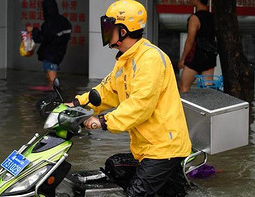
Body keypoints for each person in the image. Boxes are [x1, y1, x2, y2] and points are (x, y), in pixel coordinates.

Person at [67, 1, 192, 196]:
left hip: (163, 149)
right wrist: (76, 104)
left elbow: (140, 106)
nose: (106, 32)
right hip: (146, 148)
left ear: (124, 31)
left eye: (109, 27)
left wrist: (101, 121)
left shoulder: (149, 59)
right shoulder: (126, 59)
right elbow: (106, 91)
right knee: (115, 167)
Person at [27, 0, 71, 88]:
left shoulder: (49, 23)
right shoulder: (64, 21)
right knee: (51, 76)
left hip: (51, 55)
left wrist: (33, 30)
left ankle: (55, 95)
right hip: (60, 53)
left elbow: (42, 38)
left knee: (52, 80)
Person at [178, 0, 217, 93]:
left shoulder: (195, 18)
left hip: (195, 58)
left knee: (184, 87)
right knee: (207, 90)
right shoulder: (213, 18)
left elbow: (190, 40)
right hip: (209, 58)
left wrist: (183, 59)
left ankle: (186, 107)